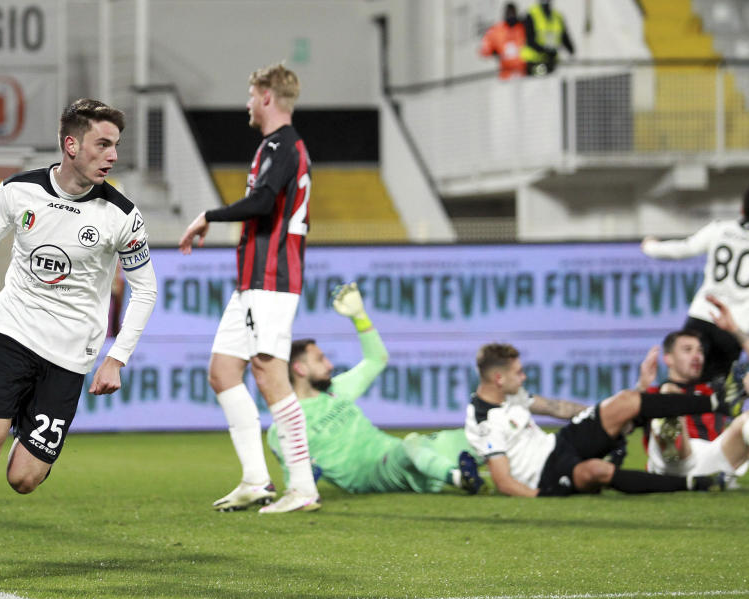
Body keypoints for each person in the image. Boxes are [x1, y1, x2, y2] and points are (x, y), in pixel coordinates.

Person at [0, 98, 157, 588]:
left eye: (116, 145)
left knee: (23, 479)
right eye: (103, 144)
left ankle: (27, 428)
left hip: (70, 356)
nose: (112, 155)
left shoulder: (121, 214)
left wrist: (117, 357)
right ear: (71, 145)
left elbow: (146, 288)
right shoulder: (18, 191)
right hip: (13, 332)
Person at [178, 63, 317, 513]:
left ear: (266, 97)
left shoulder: (284, 145)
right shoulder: (275, 146)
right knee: (222, 371)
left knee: (269, 373)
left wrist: (209, 216)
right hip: (252, 280)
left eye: (250, 94)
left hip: (272, 277)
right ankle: (256, 480)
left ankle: (302, 486)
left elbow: (261, 202)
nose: (246, 104)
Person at [267, 283, 485, 496]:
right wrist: (304, 478)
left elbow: (376, 360)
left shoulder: (336, 390)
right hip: (371, 474)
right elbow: (292, 478)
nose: (329, 365)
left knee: (474, 437)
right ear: (300, 368)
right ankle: (459, 478)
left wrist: (359, 316)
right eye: (320, 359)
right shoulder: (285, 421)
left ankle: (501, 471)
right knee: (412, 444)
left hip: (396, 453)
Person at [464, 342, 742, 497]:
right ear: (499, 379)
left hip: (559, 444)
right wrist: (540, 498)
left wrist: (604, 417)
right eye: (519, 373)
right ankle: (696, 483)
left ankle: (717, 403)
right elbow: (502, 481)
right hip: (545, 476)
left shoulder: (511, 394)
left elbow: (558, 408)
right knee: (598, 471)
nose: (523, 378)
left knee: (625, 400)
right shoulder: (484, 421)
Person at [636, 297, 749, 482]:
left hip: (712, 457)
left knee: (747, 420)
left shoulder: (717, 390)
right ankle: (672, 431)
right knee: (668, 394)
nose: (697, 356)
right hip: (670, 462)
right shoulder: (651, 394)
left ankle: (710, 479)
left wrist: (735, 331)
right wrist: (640, 388)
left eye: (700, 351)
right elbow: (618, 424)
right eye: (688, 350)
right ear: (668, 358)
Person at [641, 190, 749, 379]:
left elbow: (685, 248)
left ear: (741, 209)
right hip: (735, 326)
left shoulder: (720, 229)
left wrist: (650, 247)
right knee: (717, 392)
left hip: (702, 315)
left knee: (680, 382)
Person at [520, 0, 575, 76]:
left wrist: (571, 51)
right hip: (533, 61)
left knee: (550, 84)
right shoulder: (532, 14)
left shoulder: (557, 16)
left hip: (551, 61)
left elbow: (564, 37)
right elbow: (529, 39)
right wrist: (546, 51)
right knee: (536, 84)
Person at [479, 2, 527, 80]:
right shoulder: (497, 30)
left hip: (523, 73)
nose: (511, 15)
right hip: (505, 75)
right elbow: (484, 49)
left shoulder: (522, 28)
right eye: (509, 13)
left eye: (513, 13)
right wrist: (494, 51)